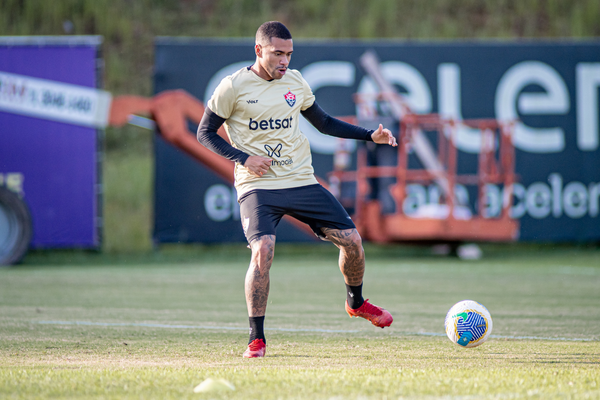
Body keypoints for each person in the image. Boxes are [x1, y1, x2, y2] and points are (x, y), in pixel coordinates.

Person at [197, 21, 397, 358]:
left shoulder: (295, 81)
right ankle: (256, 339)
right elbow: (205, 133)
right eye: (277, 53)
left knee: (353, 241)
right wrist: (245, 157)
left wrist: (368, 135)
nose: (284, 61)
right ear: (259, 50)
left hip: (301, 180)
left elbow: (324, 123)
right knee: (263, 251)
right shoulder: (232, 87)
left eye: (288, 54)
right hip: (257, 186)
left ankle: (356, 302)